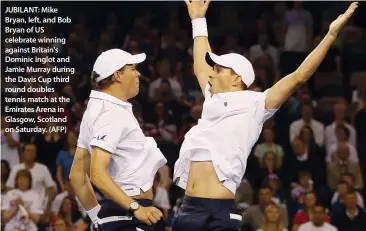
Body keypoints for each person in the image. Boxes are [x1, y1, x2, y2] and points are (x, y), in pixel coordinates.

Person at [172, 1, 358, 231]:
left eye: (219, 69)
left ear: (236, 78)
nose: (211, 71)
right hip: (188, 208)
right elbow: (200, 66)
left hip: (218, 211)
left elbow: (299, 76)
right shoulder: (211, 98)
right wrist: (198, 20)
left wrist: (330, 34)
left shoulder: (257, 103)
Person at [69, 48, 166, 231]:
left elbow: (77, 176)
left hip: (122, 215)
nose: (138, 73)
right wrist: (135, 208)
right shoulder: (110, 113)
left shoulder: (97, 110)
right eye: (133, 68)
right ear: (117, 75)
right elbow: (96, 173)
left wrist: (97, 218)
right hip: (130, 216)